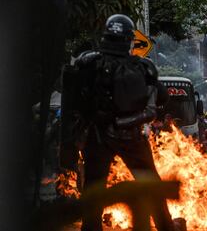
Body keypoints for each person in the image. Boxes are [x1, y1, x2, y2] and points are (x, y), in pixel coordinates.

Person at [61, 14, 176, 231]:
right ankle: (166, 227)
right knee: (152, 188)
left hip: (98, 137)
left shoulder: (88, 62)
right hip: (132, 137)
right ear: (130, 40)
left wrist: (68, 143)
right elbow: (162, 98)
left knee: (94, 192)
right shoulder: (144, 66)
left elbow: (73, 102)